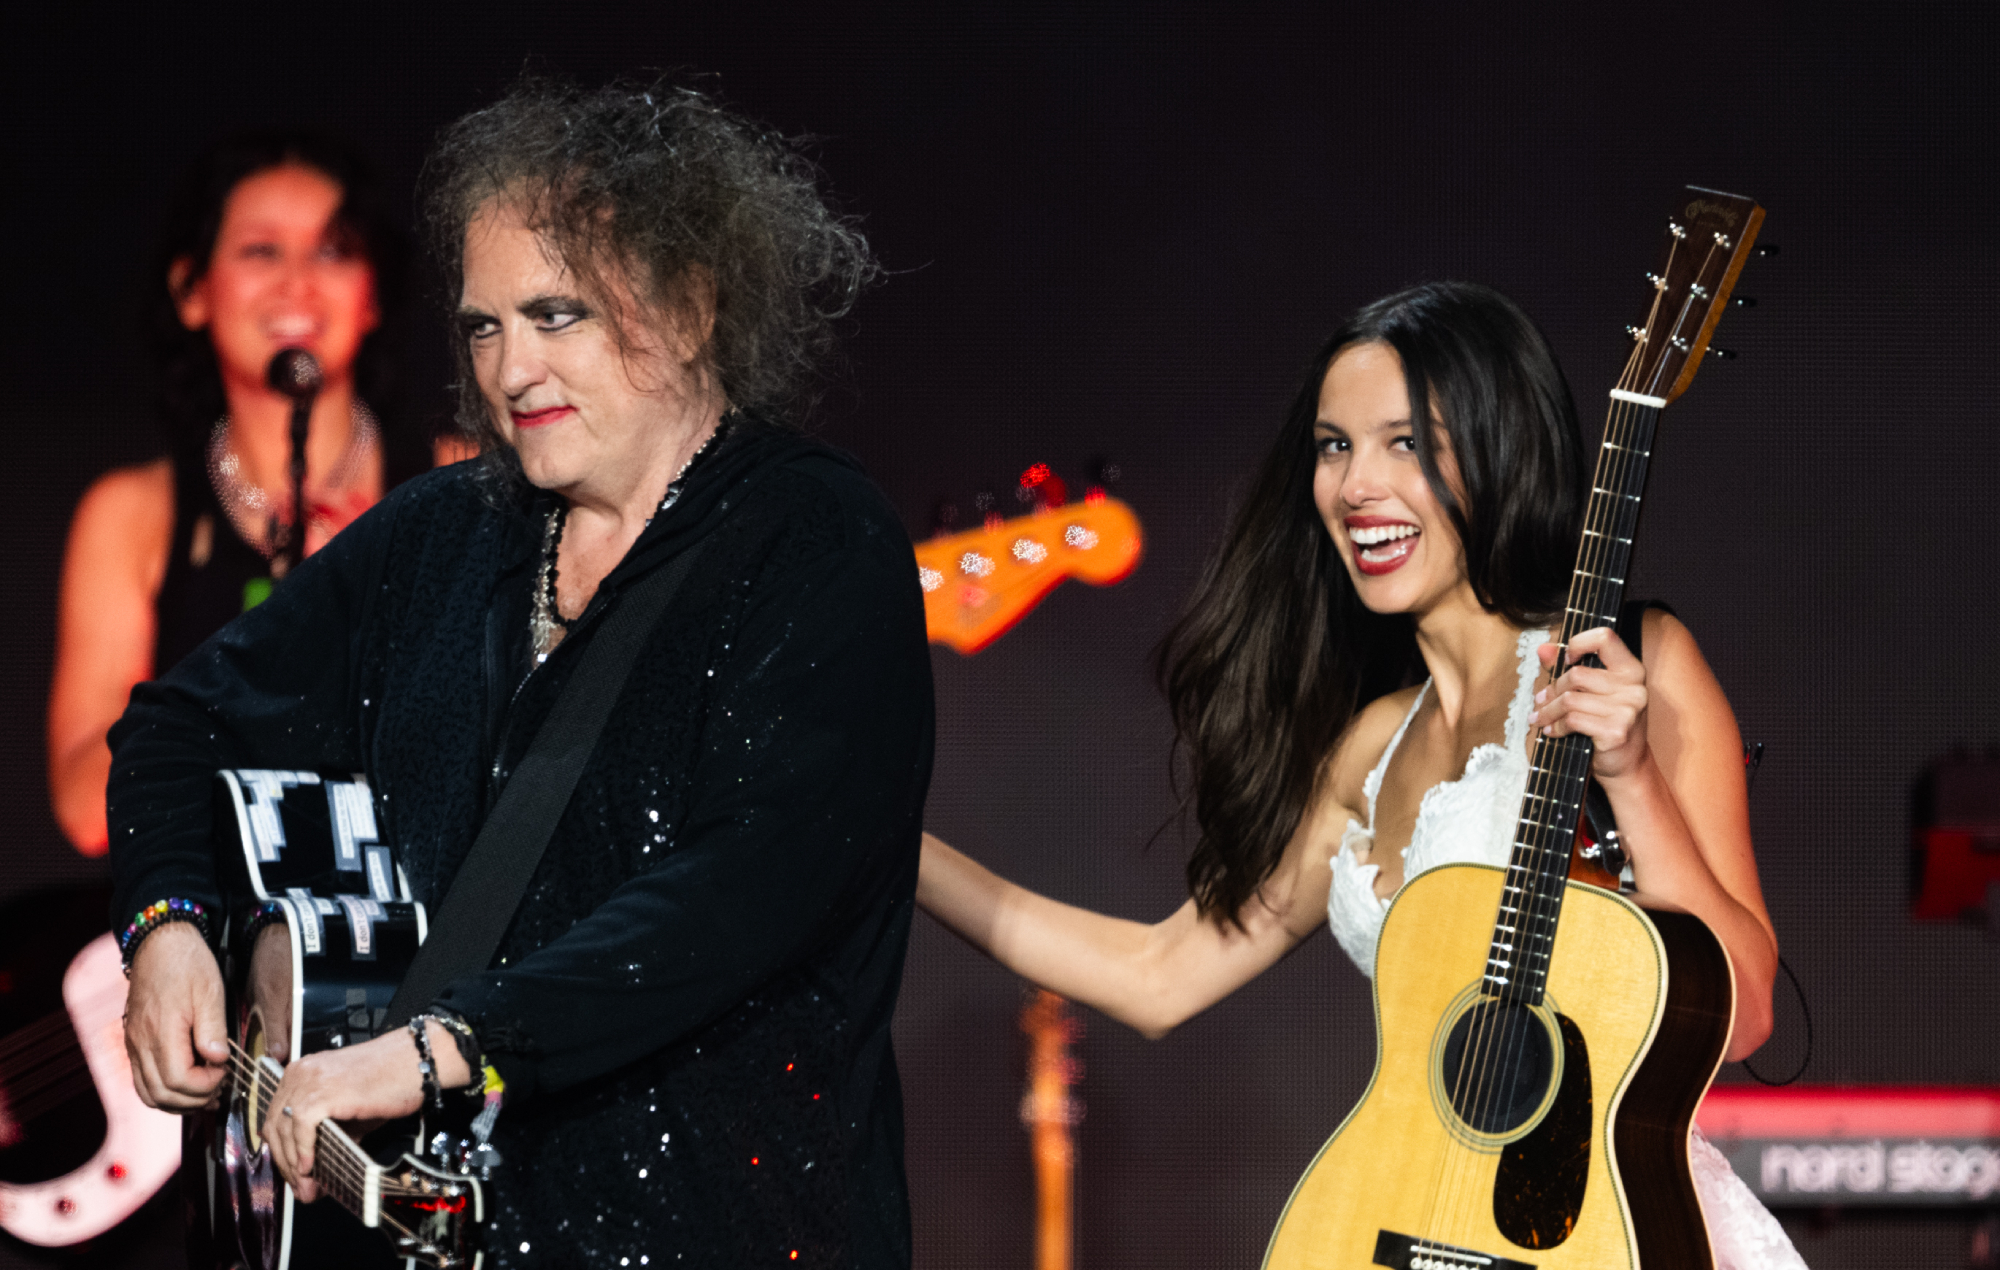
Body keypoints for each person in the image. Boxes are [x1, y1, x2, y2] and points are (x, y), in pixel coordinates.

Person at [108, 77, 932, 1269]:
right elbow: (180, 725)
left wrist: (445, 1046)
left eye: (558, 316)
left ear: (691, 305)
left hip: (720, 1225)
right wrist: (170, 925)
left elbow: (738, 887)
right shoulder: (448, 532)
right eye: (485, 326)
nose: (510, 370)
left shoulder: (814, 536)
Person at [918, 283, 1806, 1269]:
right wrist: (884, 841)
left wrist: (1631, 774)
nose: (1354, 486)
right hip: (1412, 1229)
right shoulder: (1368, 751)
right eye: (1333, 445)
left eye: (1404, 443)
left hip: (1611, 1234)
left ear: (1495, 448)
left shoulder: (1632, 660)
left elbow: (1745, 1015)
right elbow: (1156, 975)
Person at [49, 131, 429, 859]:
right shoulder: (135, 514)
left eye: (333, 250)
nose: (298, 283)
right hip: (210, 921)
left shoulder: (465, 480)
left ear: (372, 293)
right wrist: (271, 651)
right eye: (262, 251)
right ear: (193, 289)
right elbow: (86, 803)